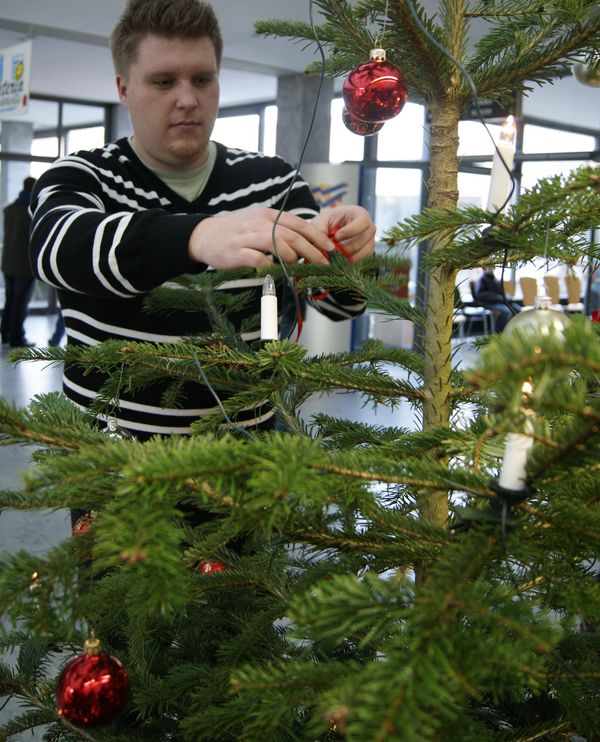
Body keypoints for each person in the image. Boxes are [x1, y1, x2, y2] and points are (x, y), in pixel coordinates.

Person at [29, 0, 376, 440]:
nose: (188, 98)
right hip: (112, 464)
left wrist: (349, 247)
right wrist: (196, 236)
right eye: (163, 81)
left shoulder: (272, 181)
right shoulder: (85, 175)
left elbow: (342, 303)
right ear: (123, 88)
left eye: (203, 79)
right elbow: (55, 248)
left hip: (247, 456)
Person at [1, 176, 36, 348]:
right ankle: (17, 338)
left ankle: (5, 334)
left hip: (7, 262)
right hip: (24, 266)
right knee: (20, 302)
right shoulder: (30, 212)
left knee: (10, 300)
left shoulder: (9, 209)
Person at [473, 267, 519, 333]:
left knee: (518, 309)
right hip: (489, 303)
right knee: (507, 312)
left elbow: (500, 292)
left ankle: (513, 331)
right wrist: (497, 297)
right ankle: (498, 332)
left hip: (500, 302)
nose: (491, 269)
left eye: (492, 267)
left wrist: (506, 296)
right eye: (489, 267)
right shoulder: (482, 279)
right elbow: (480, 295)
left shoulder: (495, 279)